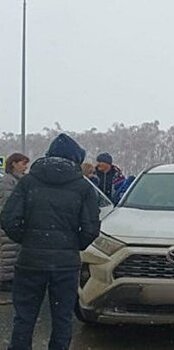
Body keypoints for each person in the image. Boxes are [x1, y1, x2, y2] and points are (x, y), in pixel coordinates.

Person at [0, 134, 100, 350]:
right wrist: (73, 244)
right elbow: (91, 228)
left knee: (24, 318)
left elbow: (8, 218)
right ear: (75, 159)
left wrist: (27, 239)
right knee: (62, 319)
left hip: (30, 261)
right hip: (65, 264)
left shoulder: (27, 182)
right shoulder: (83, 188)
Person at [0, 153, 30, 295]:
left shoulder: (18, 180)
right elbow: (8, 203)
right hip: (7, 222)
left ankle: (9, 278)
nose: (25, 167)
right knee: (8, 252)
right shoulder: (8, 182)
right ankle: (5, 280)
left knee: (13, 251)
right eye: (23, 164)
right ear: (14, 164)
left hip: (14, 221)